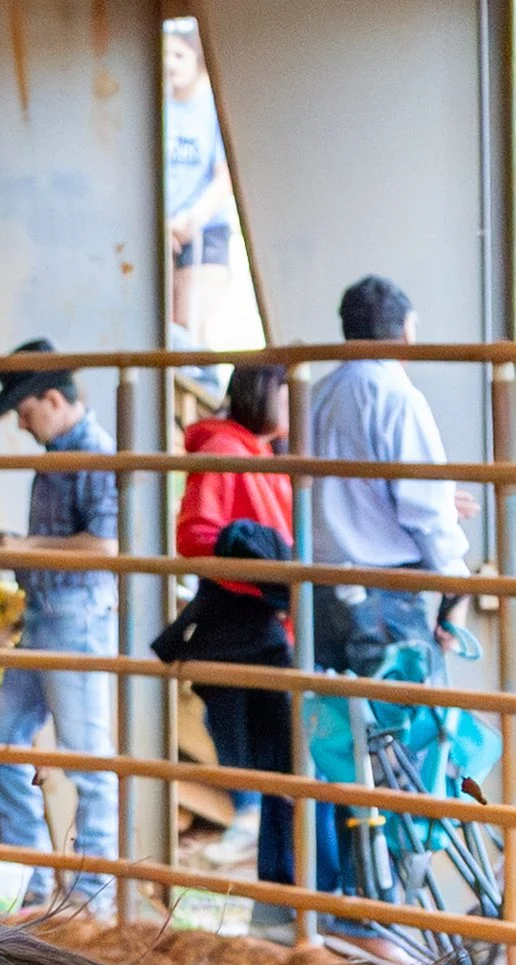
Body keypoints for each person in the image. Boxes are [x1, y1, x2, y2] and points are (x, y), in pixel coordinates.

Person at [0, 339, 120, 913]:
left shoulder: (89, 455)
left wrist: (27, 546)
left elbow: (105, 545)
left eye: (26, 409)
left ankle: (92, 895)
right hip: (50, 616)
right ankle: (39, 880)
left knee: (85, 754)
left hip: (74, 617)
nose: (22, 420)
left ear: (54, 399)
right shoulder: (63, 451)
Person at [307, 275, 475, 684]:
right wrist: (456, 584)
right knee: (408, 732)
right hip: (385, 593)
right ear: (405, 332)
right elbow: (426, 506)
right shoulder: (397, 396)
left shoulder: (315, 395)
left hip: (322, 589)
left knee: (337, 734)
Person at [157, 363, 291, 871]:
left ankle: (264, 850)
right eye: (285, 393)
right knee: (271, 741)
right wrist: (256, 561)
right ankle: (253, 826)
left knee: (269, 739)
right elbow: (195, 535)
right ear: (263, 394)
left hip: (259, 614)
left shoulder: (263, 452)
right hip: (243, 615)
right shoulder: (226, 451)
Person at [161, 21, 234, 354]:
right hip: (163, 231)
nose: (170, 63)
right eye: (165, 54)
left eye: (179, 54)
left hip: (204, 231)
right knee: (165, 332)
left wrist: (191, 219)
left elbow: (224, 176)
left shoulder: (212, 108)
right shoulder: (157, 109)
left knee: (188, 326)